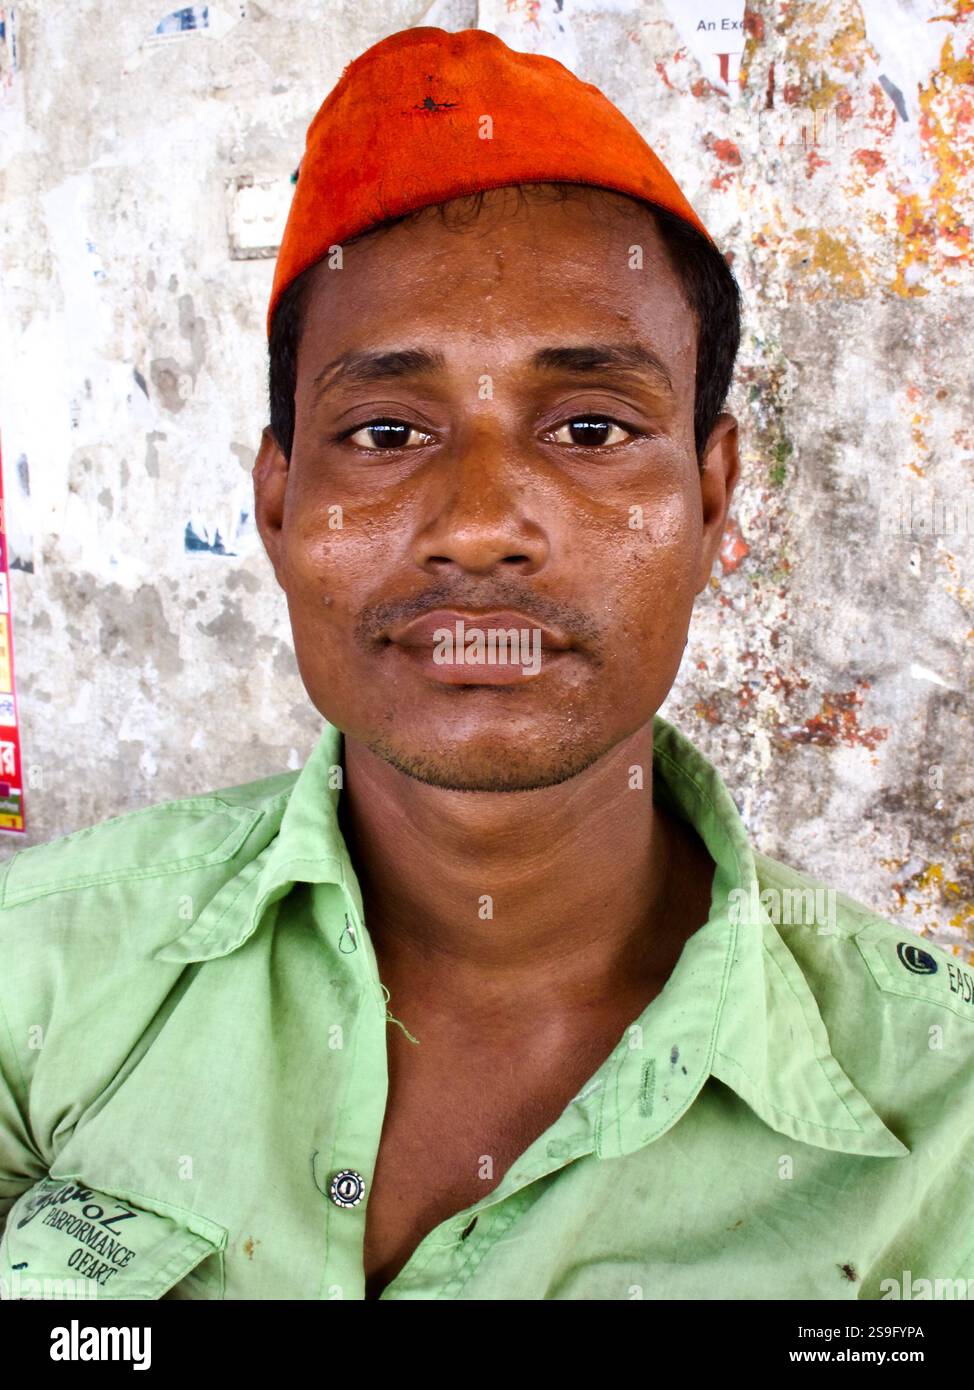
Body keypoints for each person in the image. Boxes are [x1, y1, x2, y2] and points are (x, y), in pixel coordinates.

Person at [1, 26, 971, 1304]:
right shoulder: (40, 982)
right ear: (281, 502)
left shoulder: (937, 1118)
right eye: (388, 429)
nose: (476, 522)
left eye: (587, 426)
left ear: (710, 497)